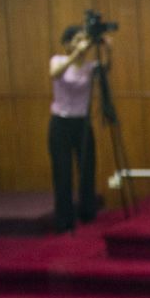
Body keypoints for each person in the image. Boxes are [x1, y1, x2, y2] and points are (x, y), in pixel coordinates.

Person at [48, 25, 105, 232]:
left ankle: (87, 212)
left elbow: (106, 69)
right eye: (77, 39)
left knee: (87, 168)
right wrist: (75, 55)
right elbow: (54, 74)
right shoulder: (59, 60)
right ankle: (64, 219)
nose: (83, 43)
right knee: (62, 172)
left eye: (84, 40)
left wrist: (108, 48)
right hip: (60, 123)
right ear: (67, 43)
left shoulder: (90, 66)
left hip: (82, 123)